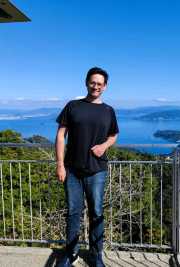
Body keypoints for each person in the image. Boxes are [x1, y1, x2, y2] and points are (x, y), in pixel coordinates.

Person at [55, 67, 119, 267]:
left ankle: (95, 254)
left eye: (100, 83)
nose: (96, 86)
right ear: (87, 83)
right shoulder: (73, 106)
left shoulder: (109, 110)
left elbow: (114, 135)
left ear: (105, 86)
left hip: (97, 170)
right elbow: (60, 136)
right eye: (93, 82)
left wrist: (104, 146)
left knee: (97, 212)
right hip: (72, 169)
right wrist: (60, 165)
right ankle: (71, 253)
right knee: (73, 211)